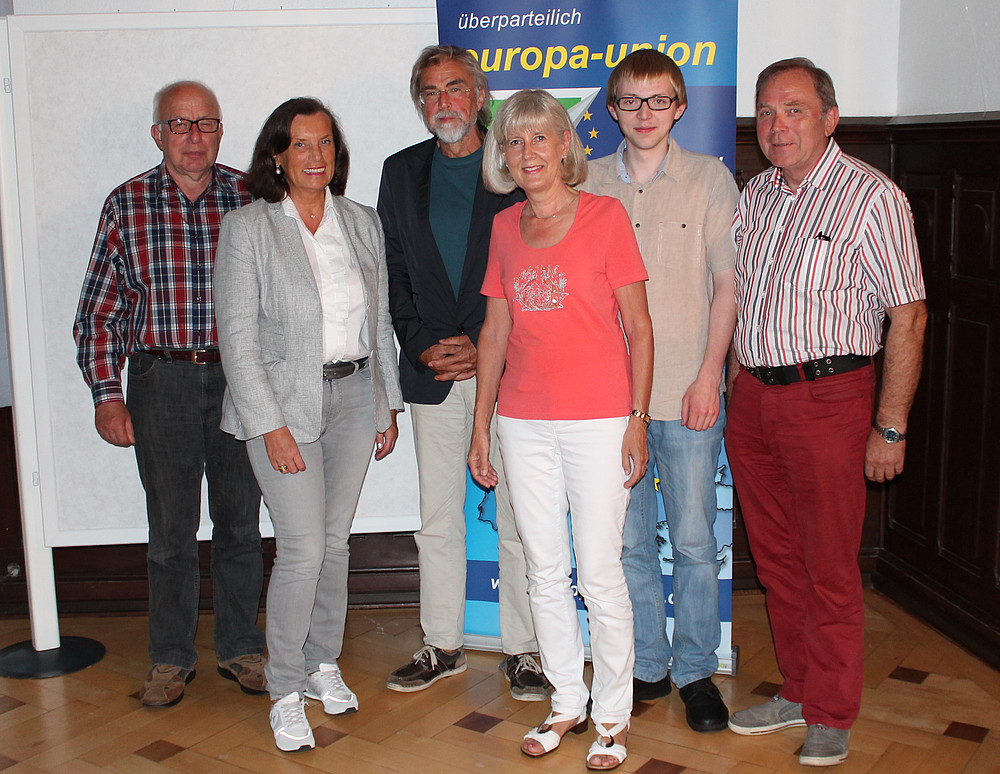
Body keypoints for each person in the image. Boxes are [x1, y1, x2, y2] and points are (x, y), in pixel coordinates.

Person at [726, 58, 927, 767]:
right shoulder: (755, 195)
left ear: (830, 118)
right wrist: (733, 385)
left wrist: (890, 425)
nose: (777, 126)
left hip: (831, 401)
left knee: (829, 567)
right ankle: (799, 690)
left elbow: (908, 317)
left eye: (795, 110)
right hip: (753, 400)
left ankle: (833, 712)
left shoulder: (874, 197)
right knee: (778, 562)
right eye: (766, 112)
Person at [469, 89, 653, 772]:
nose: (528, 153)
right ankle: (566, 701)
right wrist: (482, 426)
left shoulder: (606, 217)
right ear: (503, 155)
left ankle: (612, 716)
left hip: (599, 421)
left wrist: (637, 419)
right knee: (544, 571)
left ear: (566, 144)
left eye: (540, 137)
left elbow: (640, 328)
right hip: (522, 421)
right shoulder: (503, 228)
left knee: (600, 573)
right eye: (514, 142)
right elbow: (495, 334)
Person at [214, 97, 403, 753]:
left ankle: (323, 661)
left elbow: (379, 319)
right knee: (302, 548)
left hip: (354, 394)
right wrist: (269, 426)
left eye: (325, 143)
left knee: (335, 542)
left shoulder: (361, 221)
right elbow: (238, 341)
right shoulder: (249, 228)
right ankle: (286, 688)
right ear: (277, 155)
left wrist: (387, 402)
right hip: (281, 405)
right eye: (301, 144)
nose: (315, 155)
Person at [73, 81, 266, 708]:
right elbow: (99, 312)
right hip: (160, 382)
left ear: (221, 130)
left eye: (204, 123)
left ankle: (241, 648)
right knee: (171, 531)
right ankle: (171, 657)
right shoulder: (126, 204)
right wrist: (107, 394)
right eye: (178, 124)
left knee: (240, 524)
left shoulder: (252, 198)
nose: (192, 136)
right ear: (158, 134)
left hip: (241, 381)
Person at [378, 45, 549, 700]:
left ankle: (524, 650)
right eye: (429, 92)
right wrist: (421, 345)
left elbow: (534, 267)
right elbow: (392, 271)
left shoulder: (514, 166)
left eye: (454, 88)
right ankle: (442, 644)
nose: (441, 102)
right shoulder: (400, 172)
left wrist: (487, 346)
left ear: (480, 97)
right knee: (438, 518)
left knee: (518, 517)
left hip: (510, 369)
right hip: (434, 372)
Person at [580, 49, 738, 732]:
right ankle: (646, 663)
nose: (645, 113)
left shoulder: (710, 179)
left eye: (659, 100)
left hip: (686, 392)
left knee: (697, 541)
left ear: (680, 107)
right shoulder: (585, 181)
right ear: (612, 109)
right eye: (630, 100)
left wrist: (710, 374)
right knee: (628, 542)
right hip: (608, 401)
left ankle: (696, 671)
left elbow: (728, 284)